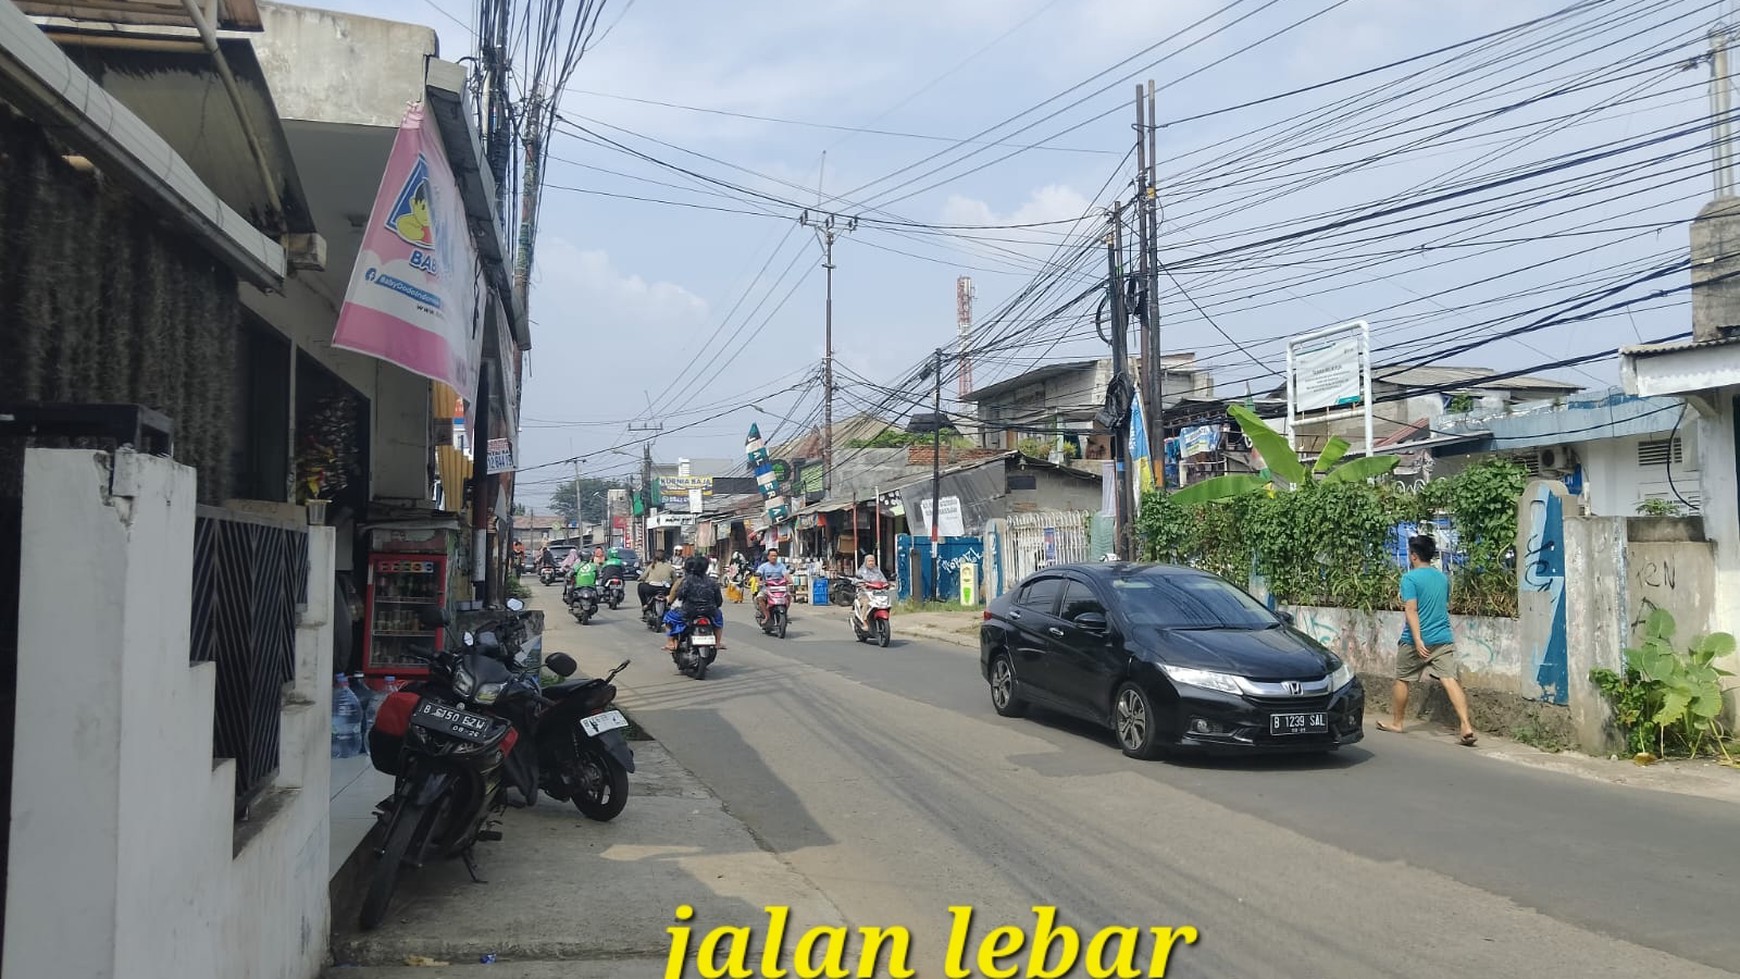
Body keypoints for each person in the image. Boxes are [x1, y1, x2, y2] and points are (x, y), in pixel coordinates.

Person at [1378, 535, 1477, 746]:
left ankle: (1397, 722)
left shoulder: (1409, 579)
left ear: (1413, 556)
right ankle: (1466, 725)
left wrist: (1417, 639)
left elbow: (1411, 610)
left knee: (1402, 678)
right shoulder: (1442, 578)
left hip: (1415, 640)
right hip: (1442, 637)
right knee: (1449, 679)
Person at [666, 554, 725, 651]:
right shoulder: (712, 582)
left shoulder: (687, 581)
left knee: (669, 618)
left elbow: (680, 595)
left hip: (689, 611)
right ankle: (717, 643)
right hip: (709, 612)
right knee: (719, 619)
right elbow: (719, 601)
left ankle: (670, 643)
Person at [753, 548, 790, 620]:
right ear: (768, 557)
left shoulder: (781, 566)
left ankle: (785, 613)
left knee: (788, 596)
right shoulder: (763, 566)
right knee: (760, 598)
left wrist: (790, 581)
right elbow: (758, 574)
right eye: (772, 556)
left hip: (780, 589)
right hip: (767, 588)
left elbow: (786, 574)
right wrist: (759, 582)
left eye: (775, 556)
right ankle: (767, 615)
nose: (774, 557)